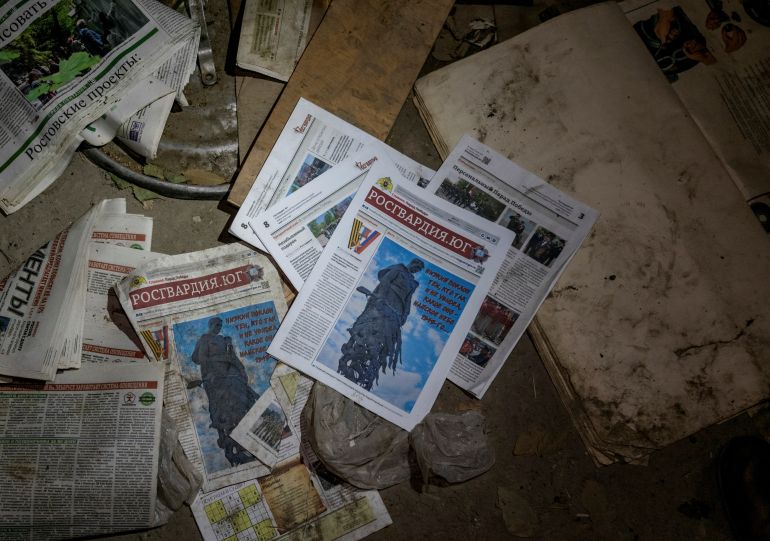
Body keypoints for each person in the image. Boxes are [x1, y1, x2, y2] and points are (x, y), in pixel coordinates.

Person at [337, 258, 424, 390]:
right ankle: (351, 361)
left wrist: (405, 315)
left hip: (396, 312)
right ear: (412, 263)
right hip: (384, 302)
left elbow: (408, 300)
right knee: (369, 330)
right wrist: (381, 297)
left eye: (419, 269)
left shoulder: (413, 283)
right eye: (416, 265)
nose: (416, 269)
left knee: (384, 343)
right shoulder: (399, 268)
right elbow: (386, 280)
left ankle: (368, 373)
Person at [192, 317, 257, 466]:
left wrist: (242, 371)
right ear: (210, 325)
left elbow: (234, 358)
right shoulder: (205, 339)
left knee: (241, 406)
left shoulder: (225, 341)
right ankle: (229, 444)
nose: (218, 327)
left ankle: (244, 444)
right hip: (215, 379)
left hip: (232, 379)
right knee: (222, 411)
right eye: (216, 324)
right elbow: (202, 359)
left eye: (220, 324)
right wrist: (224, 359)